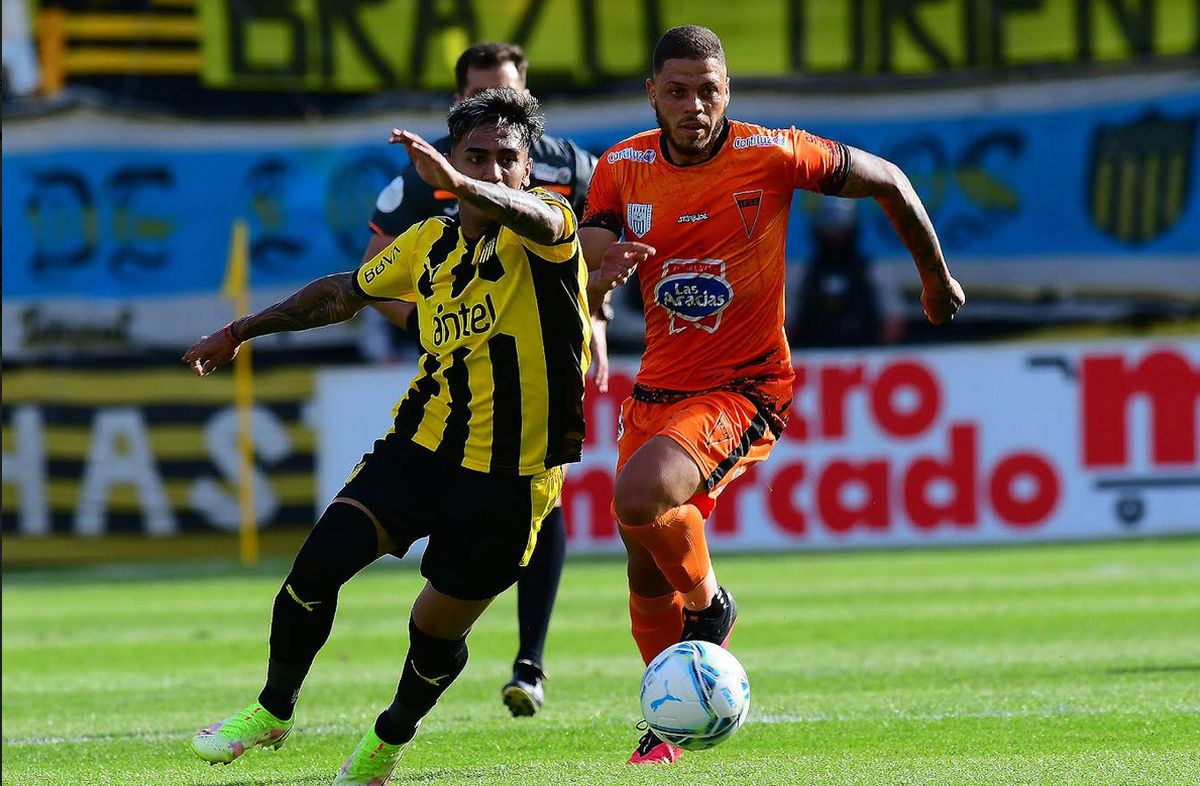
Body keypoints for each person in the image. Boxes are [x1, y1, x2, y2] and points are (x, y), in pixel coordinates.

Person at [185, 88, 599, 785]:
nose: (494, 172)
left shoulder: (551, 227)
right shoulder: (428, 243)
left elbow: (526, 210)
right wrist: (239, 331)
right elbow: (342, 294)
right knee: (314, 571)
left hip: (511, 477)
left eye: (507, 160)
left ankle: (388, 738)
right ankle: (272, 710)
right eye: (477, 158)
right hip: (422, 446)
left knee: (435, 630)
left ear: (528, 171)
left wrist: (464, 183)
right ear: (448, 161)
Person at [579, 25, 965, 764]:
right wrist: (602, 268)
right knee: (642, 560)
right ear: (653, 93)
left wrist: (933, 276)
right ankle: (670, 725)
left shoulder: (773, 152)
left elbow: (890, 179)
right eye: (679, 90)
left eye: (710, 90)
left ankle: (711, 608)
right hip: (657, 389)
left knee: (637, 495)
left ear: (729, 91)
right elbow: (593, 242)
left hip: (745, 386)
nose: (695, 104)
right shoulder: (622, 167)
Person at [359, 42, 607, 717]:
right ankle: (459, 632)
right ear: (456, 105)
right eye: (481, 93)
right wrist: (434, 320)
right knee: (483, 496)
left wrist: (597, 317)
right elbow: (374, 269)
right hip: (460, 369)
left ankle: (530, 661)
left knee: (545, 486)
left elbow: (592, 248)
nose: (498, 105)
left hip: (548, 359)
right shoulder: (422, 177)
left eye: (509, 90)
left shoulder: (570, 166)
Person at [789, 196, 904, 347]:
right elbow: (787, 326)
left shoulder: (875, 271)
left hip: (864, 355)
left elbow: (893, 323)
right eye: (829, 230)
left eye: (841, 231)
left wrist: (877, 356)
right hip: (813, 357)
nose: (835, 237)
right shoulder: (801, 275)